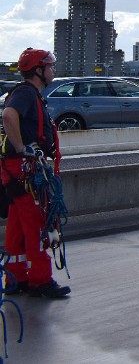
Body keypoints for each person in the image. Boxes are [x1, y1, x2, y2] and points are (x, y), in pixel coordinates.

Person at [0, 48, 71, 298]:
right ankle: (40, 280)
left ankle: (15, 277)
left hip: (16, 169)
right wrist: (22, 149)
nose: (53, 70)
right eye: (50, 67)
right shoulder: (26, 94)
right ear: (38, 71)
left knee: (18, 225)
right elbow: (8, 115)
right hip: (24, 169)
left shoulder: (28, 94)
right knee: (37, 223)